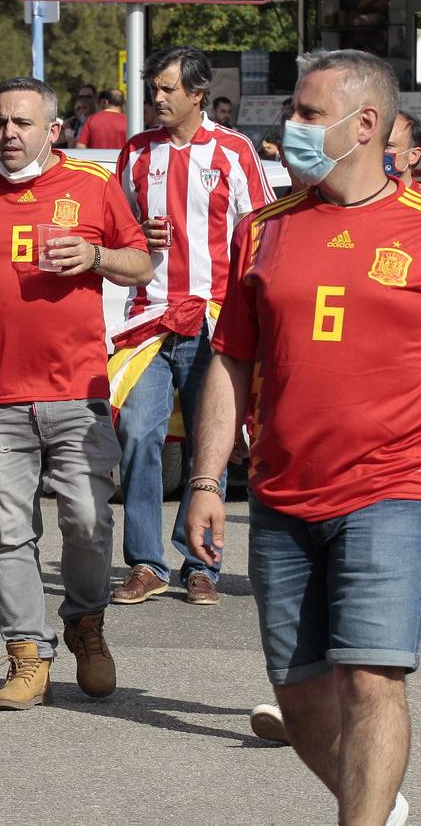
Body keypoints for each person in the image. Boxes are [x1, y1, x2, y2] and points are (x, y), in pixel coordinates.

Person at [186, 48, 421, 826]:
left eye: (303, 113)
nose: (286, 128)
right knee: (297, 697)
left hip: (388, 493)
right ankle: (377, 803)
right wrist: (202, 484)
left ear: (363, 124)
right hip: (281, 496)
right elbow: (231, 362)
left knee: (371, 679)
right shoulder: (264, 231)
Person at [0, 76, 151, 712]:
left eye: (22, 123)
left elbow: (143, 264)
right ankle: (27, 654)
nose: (8, 134)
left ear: (52, 130)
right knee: (10, 535)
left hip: (77, 391)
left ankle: (85, 624)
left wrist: (97, 255)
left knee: (87, 520)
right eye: (0, 122)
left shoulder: (93, 185)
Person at [111, 45, 274, 607]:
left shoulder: (234, 150)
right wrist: (135, 237)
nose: (157, 98)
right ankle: (145, 562)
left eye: (168, 89)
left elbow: (262, 230)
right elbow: (117, 228)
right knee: (137, 431)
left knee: (213, 439)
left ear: (197, 95)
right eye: (153, 87)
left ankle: (200, 562)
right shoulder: (135, 152)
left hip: (214, 319)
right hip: (149, 319)